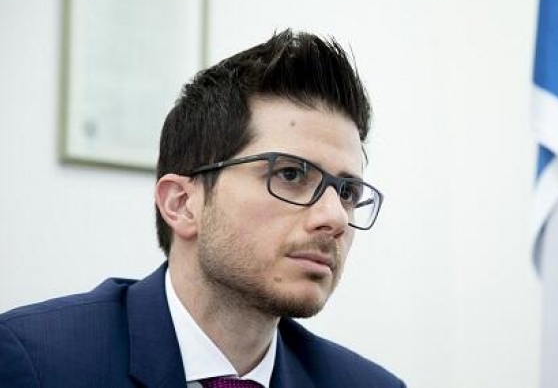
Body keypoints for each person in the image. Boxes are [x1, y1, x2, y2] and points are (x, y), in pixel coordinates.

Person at [0, 30, 405, 388]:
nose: (335, 217)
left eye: (348, 192)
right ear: (181, 204)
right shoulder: (39, 363)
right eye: (291, 174)